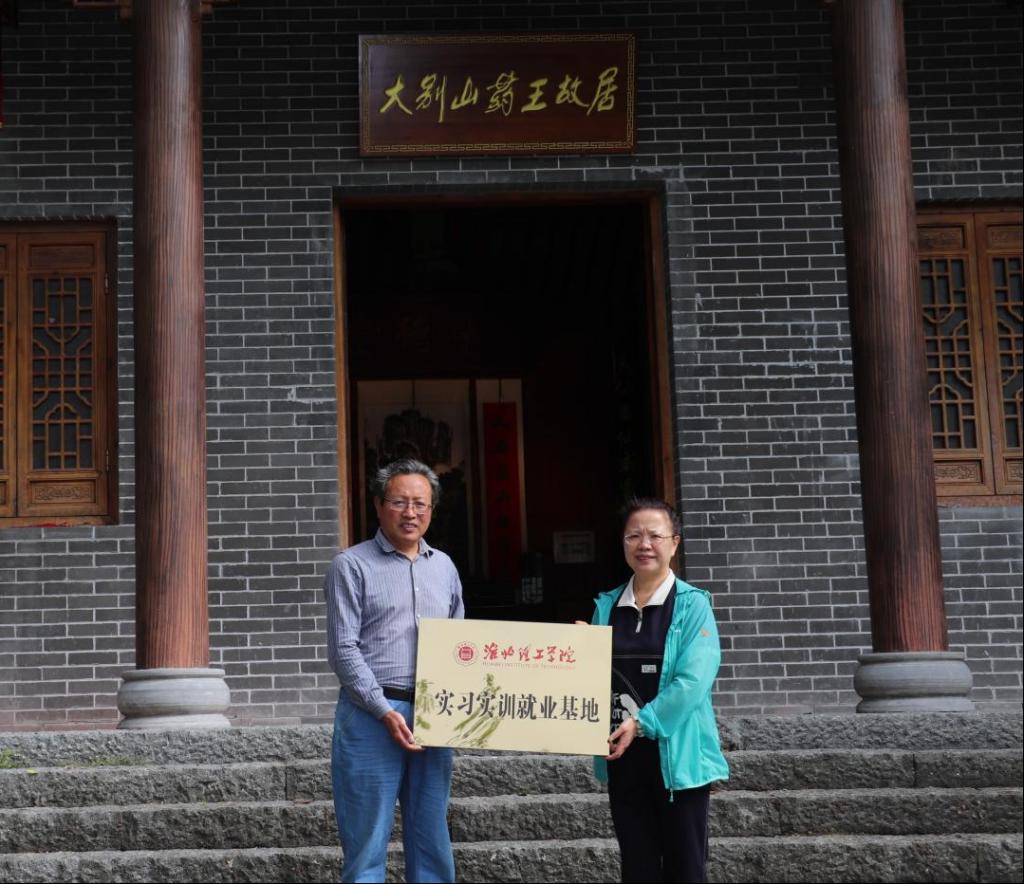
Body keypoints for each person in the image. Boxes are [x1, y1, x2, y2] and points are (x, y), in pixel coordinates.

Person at [323, 458, 464, 883]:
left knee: (431, 836)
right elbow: (343, 649)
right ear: (378, 505)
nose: (410, 513)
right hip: (370, 715)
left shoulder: (445, 567)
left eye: (420, 503)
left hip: (433, 716)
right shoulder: (351, 565)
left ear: (432, 509)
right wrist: (383, 709)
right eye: (399, 502)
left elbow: (461, 646)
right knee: (366, 841)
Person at [590, 496, 729, 884]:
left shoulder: (693, 605)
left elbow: (693, 682)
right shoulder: (606, 607)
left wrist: (642, 723)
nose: (644, 544)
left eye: (655, 535)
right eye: (633, 536)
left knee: (686, 870)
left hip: (679, 760)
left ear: (674, 543)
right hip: (623, 757)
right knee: (637, 868)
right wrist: (576, 654)